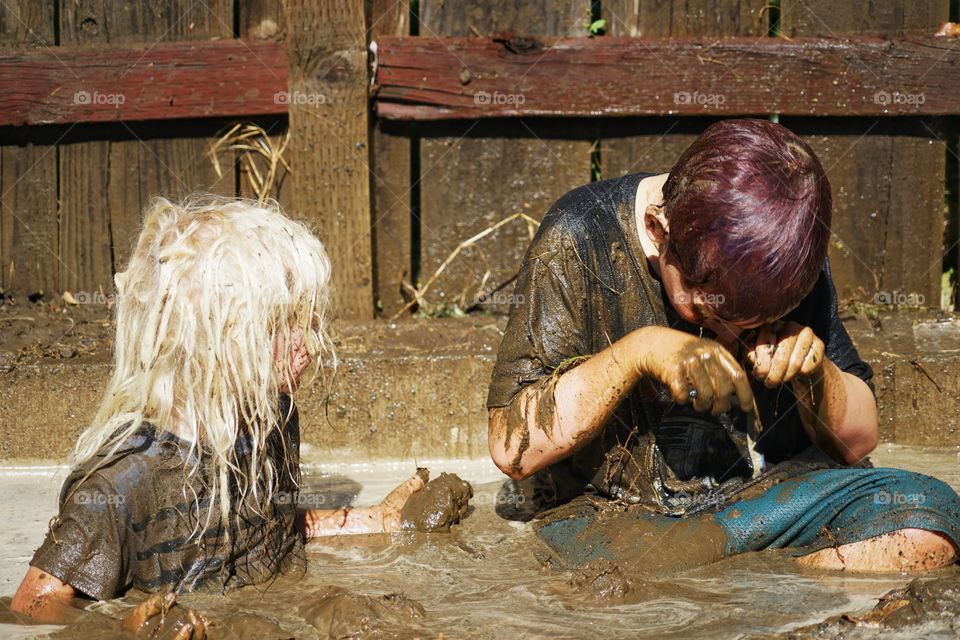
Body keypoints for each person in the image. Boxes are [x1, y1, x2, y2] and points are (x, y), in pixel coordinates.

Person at [487, 118, 960, 573]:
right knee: (622, 581)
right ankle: (744, 585)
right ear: (657, 231)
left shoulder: (779, 253)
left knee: (930, 523)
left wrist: (816, 374)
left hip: (766, 504)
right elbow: (513, 452)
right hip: (623, 521)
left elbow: (858, 445)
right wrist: (639, 352)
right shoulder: (577, 239)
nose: (730, 337)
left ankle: (755, 584)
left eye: (757, 323)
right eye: (709, 313)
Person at [10, 197, 468, 636]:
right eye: (282, 326)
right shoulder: (119, 487)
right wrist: (132, 628)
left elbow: (278, 528)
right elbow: (34, 608)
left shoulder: (273, 417)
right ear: (207, 336)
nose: (308, 345)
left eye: (309, 323)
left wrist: (378, 519)